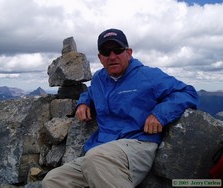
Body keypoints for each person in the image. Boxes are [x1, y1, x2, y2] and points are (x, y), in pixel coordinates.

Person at [42, 28, 198, 188]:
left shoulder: (148, 76)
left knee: (96, 158)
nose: (112, 56)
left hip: (137, 144)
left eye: (118, 50)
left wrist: (159, 114)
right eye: (106, 51)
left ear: (128, 53)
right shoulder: (99, 79)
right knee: (53, 180)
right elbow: (90, 92)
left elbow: (187, 92)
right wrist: (84, 102)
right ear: (100, 57)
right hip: (101, 148)